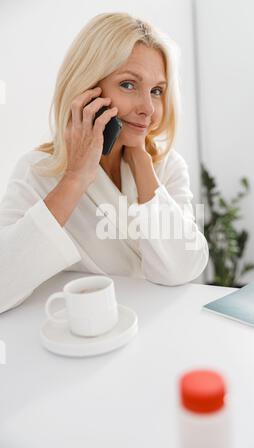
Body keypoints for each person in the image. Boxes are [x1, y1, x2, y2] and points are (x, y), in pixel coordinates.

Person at [0, 12, 209, 314]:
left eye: (156, 91)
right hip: (79, 339)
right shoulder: (38, 170)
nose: (148, 108)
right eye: (128, 85)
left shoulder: (166, 167)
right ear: (86, 89)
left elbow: (183, 269)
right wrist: (75, 178)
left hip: (153, 330)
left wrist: (140, 158)